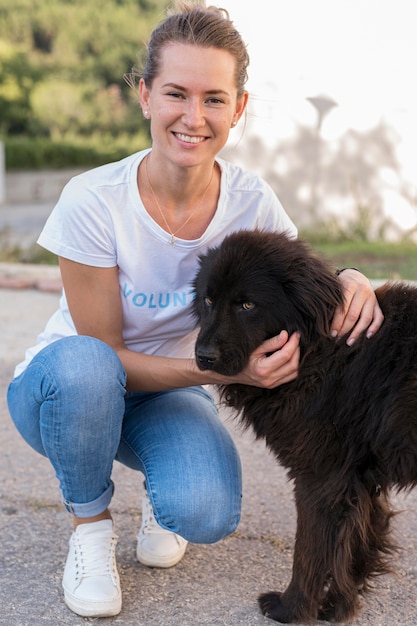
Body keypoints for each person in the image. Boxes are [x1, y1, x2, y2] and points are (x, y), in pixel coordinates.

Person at [7, 0, 384, 618]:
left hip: (170, 394)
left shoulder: (250, 199)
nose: (193, 116)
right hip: (66, 389)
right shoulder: (93, 200)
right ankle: (90, 531)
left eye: (213, 98)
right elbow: (109, 358)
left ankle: (165, 490)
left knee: (206, 512)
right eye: (176, 93)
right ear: (145, 95)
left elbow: (302, 274)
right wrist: (230, 373)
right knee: (87, 369)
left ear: (238, 107)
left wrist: (353, 277)